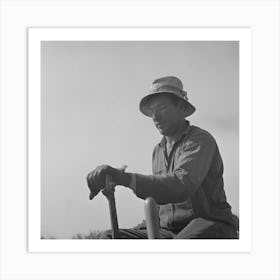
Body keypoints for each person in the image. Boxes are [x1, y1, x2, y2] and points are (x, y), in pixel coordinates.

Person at [86, 76, 239, 239]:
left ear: (181, 107)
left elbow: (180, 185)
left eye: (162, 107)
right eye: (152, 111)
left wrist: (125, 179)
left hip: (209, 224)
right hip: (170, 230)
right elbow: (160, 202)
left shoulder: (200, 140)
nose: (155, 117)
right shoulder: (158, 151)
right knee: (110, 238)